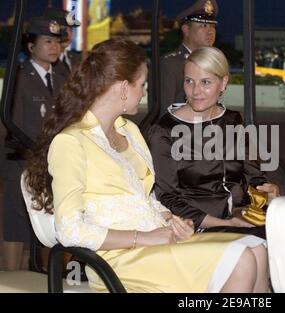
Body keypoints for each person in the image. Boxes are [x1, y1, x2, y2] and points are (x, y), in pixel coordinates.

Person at [25, 39, 269, 293]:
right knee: (241, 260)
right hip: (116, 259)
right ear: (123, 88)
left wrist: (172, 220)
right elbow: (70, 230)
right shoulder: (71, 142)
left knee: (257, 248)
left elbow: (145, 199)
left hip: (153, 242)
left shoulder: (129, 132)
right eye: (142, 84)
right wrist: (143, 238)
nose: (144, 92)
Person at [148, 47, 279, 240]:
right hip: (198, 225)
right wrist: (226, 223)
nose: (195, 91)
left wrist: (267, 191)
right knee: (265, 242)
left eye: (205, 82)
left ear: (223, 83)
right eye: (189, 81)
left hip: (242, 215)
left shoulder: (233, 120)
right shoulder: (165, 131)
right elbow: (167, 197)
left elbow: (253, 174)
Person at [1, 16, 64, 271]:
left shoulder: (60, 79)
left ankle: (45, 277)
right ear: (31, 47)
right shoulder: (19, 77)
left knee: (49, 223)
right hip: (21, 160)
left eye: (57, 42)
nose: (54, 47)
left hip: (52, 163)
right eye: (47, 41)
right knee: (16, 222)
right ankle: (11, 278)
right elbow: (11, 125)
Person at [159, 0, 218, 118]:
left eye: (212, 26)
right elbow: (165, 114)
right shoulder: (171, 64)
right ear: (186, 30)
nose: (210, 31)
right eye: (204, 25)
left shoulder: (212, 64)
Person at [43, 7, 82, 79]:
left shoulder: (78, 59)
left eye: (70, 29)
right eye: (63, 29)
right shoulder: (43, 60)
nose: (68, 34)